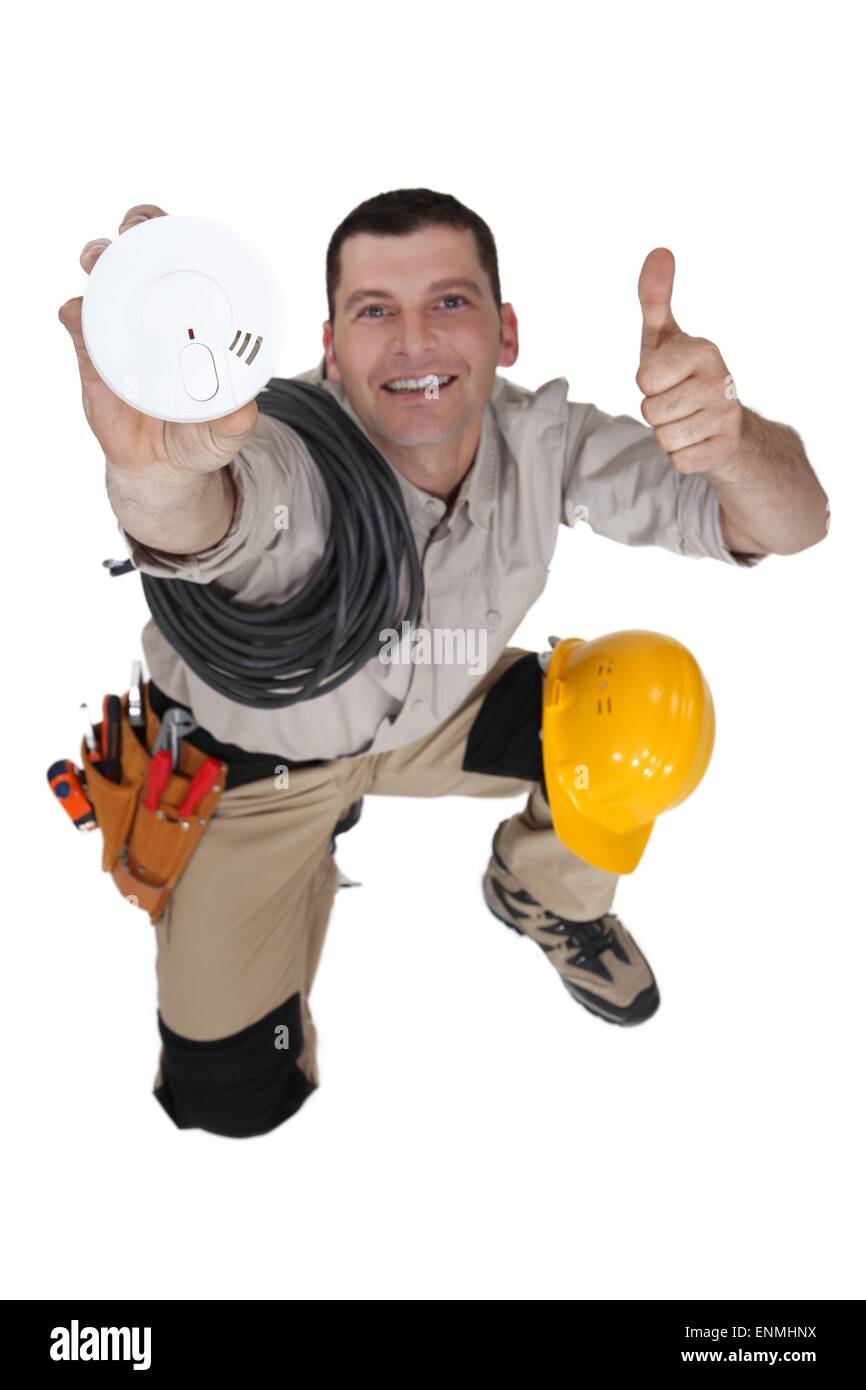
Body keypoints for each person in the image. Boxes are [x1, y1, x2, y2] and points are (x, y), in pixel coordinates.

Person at [58, 189, 829, 1139]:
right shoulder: (281, 456)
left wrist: (733, 441)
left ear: (506, 331)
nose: (415, 342)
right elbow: (207, 516)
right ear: (332, 348)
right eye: (376, 310)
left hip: (431, 717)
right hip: (256, 775)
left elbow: (793, 522)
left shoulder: (544, 441)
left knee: (647, 710)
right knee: (235, 1101)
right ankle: (298, 863)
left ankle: (541, 889)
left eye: (450, 303)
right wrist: (155, 476)